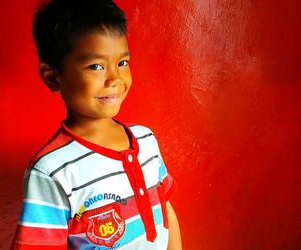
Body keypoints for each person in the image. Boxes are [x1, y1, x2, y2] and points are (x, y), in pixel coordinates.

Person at [10, 0, 181, 249]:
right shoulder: (51, 171)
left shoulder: (146, 140)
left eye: (122, 62)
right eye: (96, 66)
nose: (115, 78)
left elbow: (165, 208)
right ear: (52, 77)